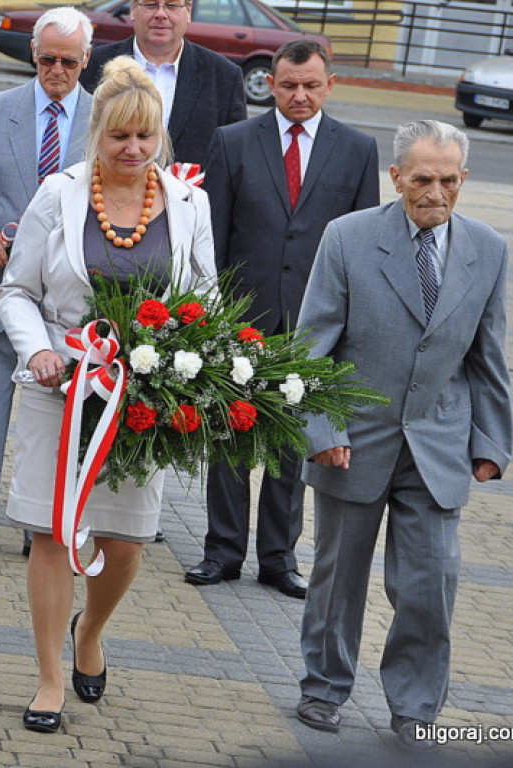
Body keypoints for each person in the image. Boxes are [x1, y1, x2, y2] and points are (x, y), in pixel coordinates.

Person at [0, 56, 216, 733]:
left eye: (146, 138)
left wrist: (190, 360)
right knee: (52, 533)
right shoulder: (56, 195)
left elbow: (203, 296)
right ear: (98, 132)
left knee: (125, 541)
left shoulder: (187, 201)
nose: (134, 151)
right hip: (59, 386)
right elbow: (18, 290)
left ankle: (89, 629)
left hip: (141, 397)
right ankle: (48, 677)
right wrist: (37, 349)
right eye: (121, 137)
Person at [293, 120, 511, 750]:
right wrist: (321, 429)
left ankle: (415, 703)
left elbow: (488, 357)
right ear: (397, 178)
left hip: (438, 444)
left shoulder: (489, 250)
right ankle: (324, 688)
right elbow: (311, 348)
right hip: (352, 439)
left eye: (448, 180)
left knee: (430, 580)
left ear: (464, 179)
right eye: (422, 179)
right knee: (337, 578)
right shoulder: (348, 237)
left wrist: (491, 445)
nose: (435, 193)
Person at [187, 40, 380, 598]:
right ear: (270, 84)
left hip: (314, 325)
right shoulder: (233, 141)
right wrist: (212, 320)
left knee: (293, 445)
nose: (299, 95)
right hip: (241, 318)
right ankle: (221, 551)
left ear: (330, 84)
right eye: (289, 85)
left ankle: (278, 558)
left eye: (311, 86)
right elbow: (213, 239)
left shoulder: (357, 149)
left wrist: (349, 328)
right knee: (229, 437)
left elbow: (362, 247)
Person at [0, 5, 93, 562]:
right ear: (33, 55)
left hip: (65, 306)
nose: (57, 70)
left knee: (54, 421)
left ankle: (41, 524)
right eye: (48, 59)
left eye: (69, 62)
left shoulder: (102, 120)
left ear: (86, 61)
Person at [80, 0, 247, 165]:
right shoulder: (92, 65)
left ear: (188, 11)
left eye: (171, 5)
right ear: (133, 9)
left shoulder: (224, 76)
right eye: (151, 4)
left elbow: (235, 156)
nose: (161, 14)